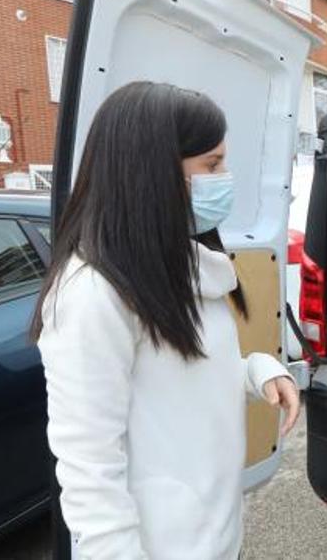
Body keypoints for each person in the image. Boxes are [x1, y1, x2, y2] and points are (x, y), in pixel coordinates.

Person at [32, 82, 301, 559]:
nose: (225, 177)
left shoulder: (183, 264)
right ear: (153, 172)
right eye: (212, 164)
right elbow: (89, 469)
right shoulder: (93, 294)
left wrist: (258, 371)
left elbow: (179, 379)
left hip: (214, 538)